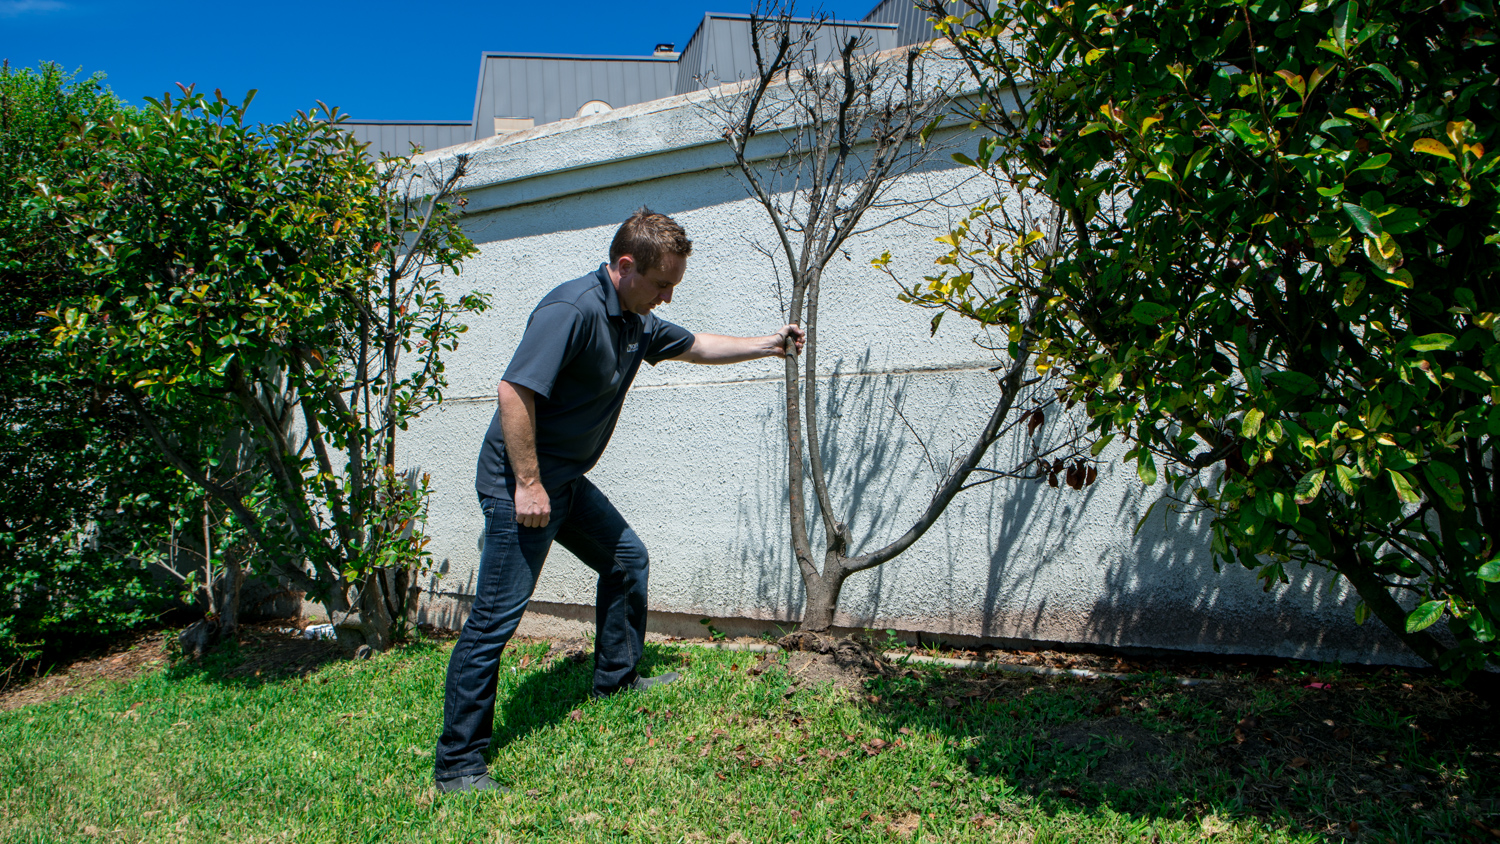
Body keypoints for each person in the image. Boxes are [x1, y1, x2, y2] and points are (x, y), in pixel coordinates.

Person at [434, 208, 805, 793]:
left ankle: (615, 678)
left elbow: (698, 345)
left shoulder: (635, 320)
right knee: (494, 621)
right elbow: (514, 390)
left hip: (564, 481)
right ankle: (458, 766)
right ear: (625, 266)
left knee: (626, 558)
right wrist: (527, 484)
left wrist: (769, 344)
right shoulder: (573, 309)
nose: (668, 297)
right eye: (662, 285)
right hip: (521, 485)